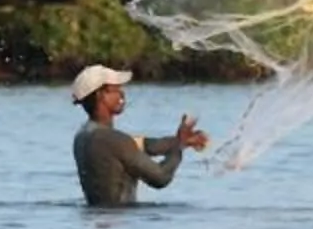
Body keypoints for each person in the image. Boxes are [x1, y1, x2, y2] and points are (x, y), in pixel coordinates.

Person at [69, 64, 210, 205]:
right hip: (120, 218)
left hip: (102, 213)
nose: (122, 94)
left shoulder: (84, 135)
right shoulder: (112, 139)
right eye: (115, 90)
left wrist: (181, 141)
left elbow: (146, 145)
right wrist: (178, 147)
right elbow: (161, 177)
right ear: (100, 95)